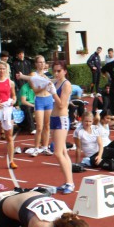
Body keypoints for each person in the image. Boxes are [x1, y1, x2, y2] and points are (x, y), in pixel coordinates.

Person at [18, 55, 55, 156]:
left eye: (43, 62)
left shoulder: (47, 74)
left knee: (47, 126)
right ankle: (36, 148)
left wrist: (49, 85)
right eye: (39, 62)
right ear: (36, 64)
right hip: (39, 100)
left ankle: (45, 147)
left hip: (48, 100)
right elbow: (35, 90)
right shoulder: (33, 74)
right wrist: (44, 86)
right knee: (39, 127)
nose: (42, 64)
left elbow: (51, 87)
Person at [47, 61, 75, 193]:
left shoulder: (66, 84)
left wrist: (53, 93)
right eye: (55, 71)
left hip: (61, 119)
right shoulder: (55, 82)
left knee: (57, 152)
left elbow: (62, 105)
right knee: (63, 152)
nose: (56, 73)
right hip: (53, 118)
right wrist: (23, 76)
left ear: (64, 71)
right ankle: (68, 182)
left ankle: (70, 183)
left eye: (59, 71)